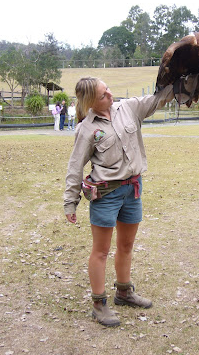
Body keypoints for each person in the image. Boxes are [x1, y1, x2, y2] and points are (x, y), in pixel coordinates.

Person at [64, 77, 173, 327]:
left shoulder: (128, 108)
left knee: (126, 245)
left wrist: (183, 82)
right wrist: (70, 202)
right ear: (91, 101)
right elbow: (75, 166)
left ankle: (124, 293)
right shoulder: (87, 129)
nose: (110, 96)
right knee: (101, 251)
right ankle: (98, 304)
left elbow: (158, 98)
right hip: (106, 194)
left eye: (108, 89)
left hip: (132, 190)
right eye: (103, 95)